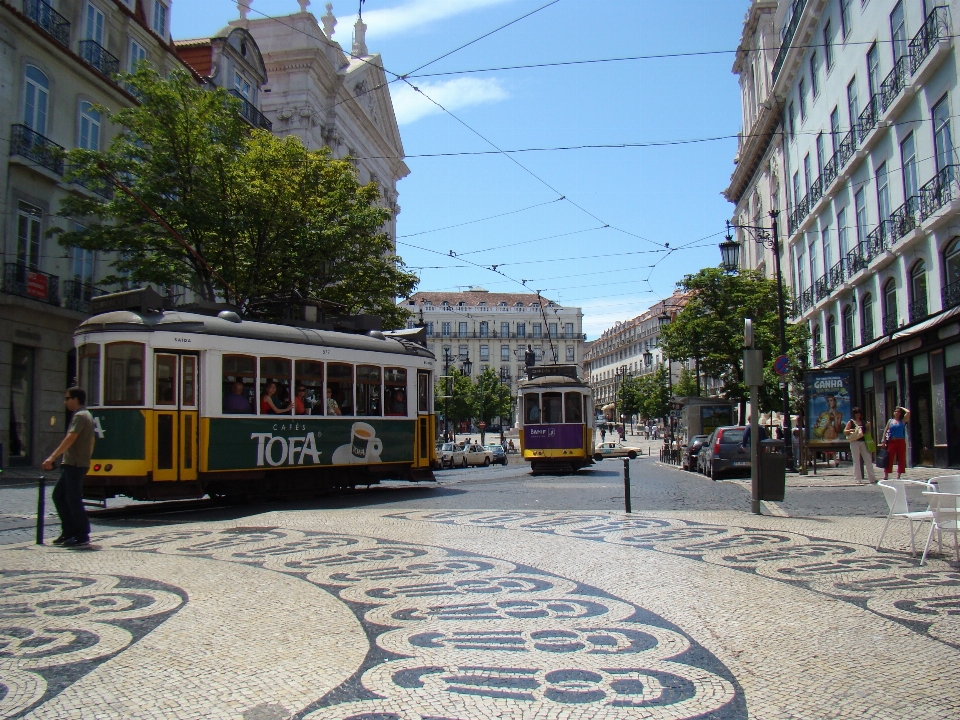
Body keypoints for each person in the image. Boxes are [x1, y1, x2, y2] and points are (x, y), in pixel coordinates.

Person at [42, 387, 94, 547]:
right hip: (74, 463)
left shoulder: (80, 416)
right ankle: (69, 531)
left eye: (67, 398)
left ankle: (81, 533)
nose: (65, 402)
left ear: (76, 399)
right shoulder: (86, 415)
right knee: (60, 496)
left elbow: (71, 438)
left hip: (74, 464)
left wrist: (52, 457)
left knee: (72, 498)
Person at [844, 407, 876, 484]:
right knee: (856, 460)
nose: (858, 415)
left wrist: (867, 427)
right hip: (854, 441)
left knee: (868, 459)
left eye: (859, 413)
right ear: (854, 414)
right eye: (856, 413)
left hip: (863, 442)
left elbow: (867, 432)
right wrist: (851, 430)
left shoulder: (863, 421)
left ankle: (872, 478)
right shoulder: (851, 422)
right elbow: (845, 431)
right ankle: (858, 478)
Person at [881, 406, 910, 481]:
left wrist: (901, 407)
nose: (897, 413)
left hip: (901, 441)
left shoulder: (903, 421)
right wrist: (883, 440)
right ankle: (886, 474)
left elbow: (908, 412)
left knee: (901, 458)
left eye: (898, 412)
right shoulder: (890, 421)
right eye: (895, 411)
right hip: (892, 441)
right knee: (889, 457)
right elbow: (886, 430)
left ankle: (899, 475)